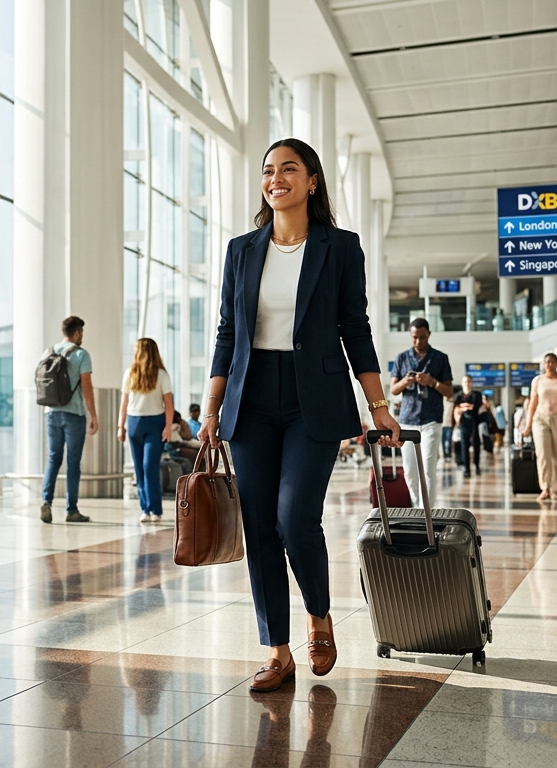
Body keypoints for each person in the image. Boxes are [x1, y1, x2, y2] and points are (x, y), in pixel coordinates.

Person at [200, 138, 399, 693]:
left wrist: (377, 405)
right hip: (251, 396)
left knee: (294, 519)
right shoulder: (242, 250)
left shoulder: (340, 247)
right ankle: (277, 650)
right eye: (268, 170)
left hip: (315, 397)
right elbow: (227, 333)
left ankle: (318, 614)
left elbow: (353, 328)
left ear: (312, 181)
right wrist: (212, 407)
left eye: (289, 168)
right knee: (259, 527)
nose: (276, 177)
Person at [388, 318, 453, 507]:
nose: (418, 342)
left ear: (429, 335)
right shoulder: (401, 358)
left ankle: (428, 511)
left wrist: (432, 382)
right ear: (410, 336)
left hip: (431, 419)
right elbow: (393, 390)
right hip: (408, 419)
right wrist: (406, 382)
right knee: (409, 470)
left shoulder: (440, 358)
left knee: (427, 467)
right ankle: (417, 507)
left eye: (422, 337)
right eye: (415, 338)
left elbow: (449, 392)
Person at [40, 316, 98, 524]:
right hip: (74, 414)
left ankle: (46, 502)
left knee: (54, 458)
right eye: (81, 332)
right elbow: (87, 387)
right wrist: (93, 414)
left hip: (51, 412)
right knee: (73, 462)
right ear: (76, 333)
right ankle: (71, 510)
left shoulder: (48, 352)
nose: (82, 336)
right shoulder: (81, 354)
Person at [117, 338, 174, 524]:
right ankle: (145, 509)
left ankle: (155, 509)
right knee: (139, 469)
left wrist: (168, 427)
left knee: (150, 466)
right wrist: (120, 426)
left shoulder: (161, 375)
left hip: (154, 423)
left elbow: (168, 405)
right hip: (134, 422)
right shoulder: (130, 374)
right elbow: (124, 403)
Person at [521, 353, 557, 502]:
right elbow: (533, 402)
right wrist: (528, 424)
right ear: (543, 364)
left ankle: (555, 489)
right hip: (540, 419)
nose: (549, 365)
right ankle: (545, 488)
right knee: (543, 455)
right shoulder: (538, 380)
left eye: (552, 362)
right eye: (547, 362)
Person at [453, 376, 484, 476]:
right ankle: (466, 468)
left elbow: (476, 406)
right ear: (462, 383)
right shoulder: (458, 396)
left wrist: (463, 406)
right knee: (464, 445)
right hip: (463, 423)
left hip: (474, 422)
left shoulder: (476, 395)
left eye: (469, 381)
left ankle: (477, 465)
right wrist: (464, 407)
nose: (467, 383)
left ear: (472, 383)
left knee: (476, 445)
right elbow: (456, 408)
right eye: (465, 382)